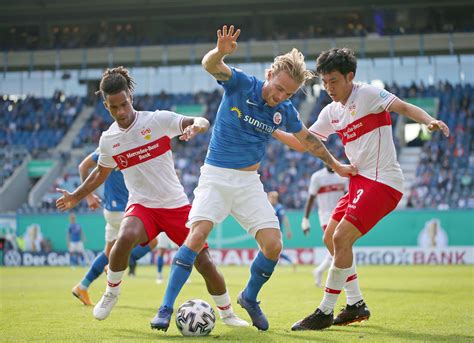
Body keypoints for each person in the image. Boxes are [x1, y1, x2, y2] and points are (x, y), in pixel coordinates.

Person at [153, 25, 355, 332]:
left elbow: (308, 141)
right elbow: (210, 65)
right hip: (217, 177)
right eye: (279, 88)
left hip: (248, 183)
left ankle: (249, 296)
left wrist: (336, 164)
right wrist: (220, 51)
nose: (280, 96)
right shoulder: (241, 84)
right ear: (270, 73)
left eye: (287, 93)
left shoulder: (284, 110)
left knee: (273, 245)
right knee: (195, 238)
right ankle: (166, 307)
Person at [56, 66, 248, 328]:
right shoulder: (108, 140)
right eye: (114, 108)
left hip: (176, 206)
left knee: (204, 263)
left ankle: (227, 313)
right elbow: (100, 173)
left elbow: (198, 121)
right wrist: (76, 197)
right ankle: (111, 293)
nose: (121, 112)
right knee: (123, 237)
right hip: (142, 206)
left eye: (124, 104)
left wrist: (198, 126)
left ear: (131, 98)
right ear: (106, 106)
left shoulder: (156, 120)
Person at [274, 47, 450, 330]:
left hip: (383, 182)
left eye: (334, 81)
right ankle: (355, 303)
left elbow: (403, 107)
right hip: (359, 182)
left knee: (342, 237)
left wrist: (428, 119)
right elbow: (304, 142)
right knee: (330, 238)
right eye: (324, 82)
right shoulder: (331, 112)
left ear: (350, 77)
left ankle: (325, 311)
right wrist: (271, 129)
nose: (328, 88)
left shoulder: (367, 95)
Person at [71, 148, 158, 306]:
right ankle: (112, 266)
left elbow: (83, 166)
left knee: (108, 252)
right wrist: (88, 195)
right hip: (124, 211)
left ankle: (82, 287)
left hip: (111, 210)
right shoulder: (126, 146)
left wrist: (89, 196)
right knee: (152, 241)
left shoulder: (107, 147)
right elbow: (83, 167)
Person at [301, 165, 347, 287]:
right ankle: (339, 279)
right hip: (326, 217)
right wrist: (305, 219)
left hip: (342, 215)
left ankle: (319, 271)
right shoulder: (317, 177)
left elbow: (348, 195)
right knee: (337, 247)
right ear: (324, 161)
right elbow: (310, 198)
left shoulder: (343, 175)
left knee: (340, 247)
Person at [267, 191, 295, 270]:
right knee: (269, 250)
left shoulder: (279, 207)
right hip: (268, 232)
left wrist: (288, 230)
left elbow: (284, 219)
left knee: (275, 250)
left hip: (277, 232)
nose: (272, 199)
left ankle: (291, 261)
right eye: (271, 198)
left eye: (274, 198)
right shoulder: (267, 207)